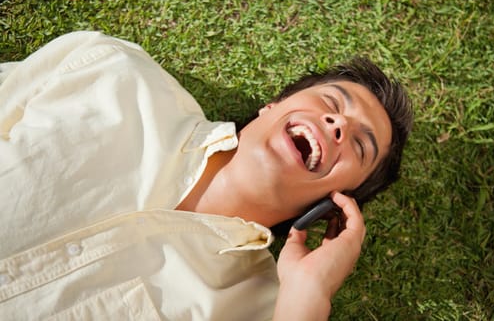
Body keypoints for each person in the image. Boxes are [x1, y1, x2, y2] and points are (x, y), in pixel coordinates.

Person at [0, 32, 412, 320]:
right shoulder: (111, 73)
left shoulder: (260, 310)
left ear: (332, 206)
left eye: (359, 145)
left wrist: (309, 298)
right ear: (274, 106)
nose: (338, 124)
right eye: (331, 100)